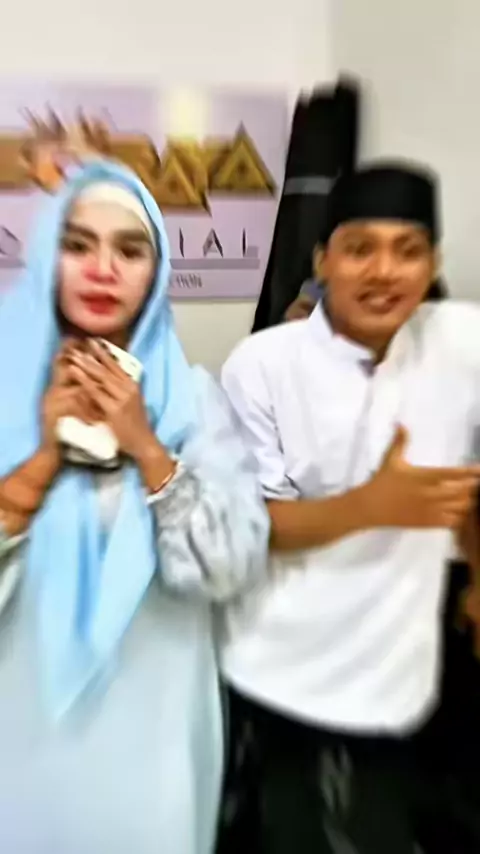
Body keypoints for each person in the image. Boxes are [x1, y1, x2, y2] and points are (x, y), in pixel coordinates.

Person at [0, 158, 269, 854]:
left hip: (152, 730)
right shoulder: (6, 389)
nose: (102, 270)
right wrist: (42, 459)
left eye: (129, 250)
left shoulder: (193, 399)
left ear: (157, 271)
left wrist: (147, 447)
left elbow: (230, 570)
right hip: (18, 724)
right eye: (77, 245)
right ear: (47, 255)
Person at [218, 162, 480, 853]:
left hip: (404, 675)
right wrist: (372, 505)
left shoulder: (462, 344)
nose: (384, 271)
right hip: (282, 669)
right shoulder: (263, 364)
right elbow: (256, 527)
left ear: (434, 264)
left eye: (408, 250)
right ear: (322, 261)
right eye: (360, 248)